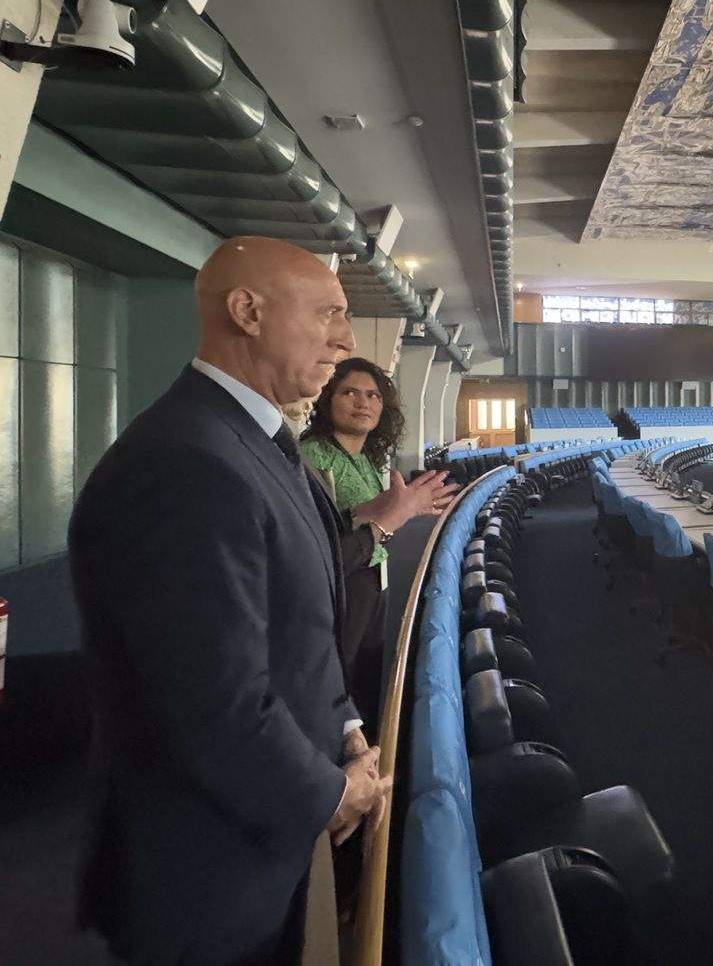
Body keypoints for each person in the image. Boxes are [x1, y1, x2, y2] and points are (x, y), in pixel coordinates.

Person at [69, 237, 392, 964]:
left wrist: (344, 727)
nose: (345, 340)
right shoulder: (187, 461)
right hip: (202, 874)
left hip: (256, 842)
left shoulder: (262, 445)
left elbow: (300, 627)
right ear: (247, 311)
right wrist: (330, 795)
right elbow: (212, 702)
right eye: (329, 314)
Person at [300, 356, 457, 733]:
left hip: (374, 577)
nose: (362, 403)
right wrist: (381, 513)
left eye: (372, 395)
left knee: (369, 677)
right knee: (342, 682)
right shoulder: (313, 456)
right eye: (349, 392)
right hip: (341, 585)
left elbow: (364, 515)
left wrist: (400, 510)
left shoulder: (366, 458)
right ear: (326, 399)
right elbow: (318, 537)